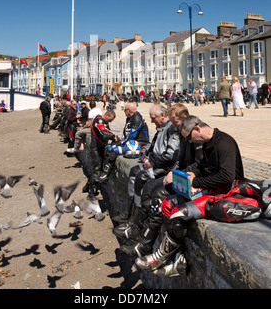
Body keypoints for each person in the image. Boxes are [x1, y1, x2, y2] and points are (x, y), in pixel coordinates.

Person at [134, 115, 246, 276]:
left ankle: (163, 257)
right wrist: (187, 174)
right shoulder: (207, 143)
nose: (190, 142)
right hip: (209, 188)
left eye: (189, 137)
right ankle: (178, 258)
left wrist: (196, 182)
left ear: (197, 128)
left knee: (179, 213)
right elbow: (203, 167)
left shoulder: (224, 142)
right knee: (167, 204)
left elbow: (227, 177)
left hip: (226, 192)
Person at [114, 105, 203, 259]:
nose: (174, 125)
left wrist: (167, 169)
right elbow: (180, 159)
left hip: (184, 177)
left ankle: (142, 237)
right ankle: (136, 226)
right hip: (175, 171)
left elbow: (177, 158)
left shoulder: (186, 133)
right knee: (147, 185)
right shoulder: (178, 131)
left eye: (175, 121)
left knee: (152, 187)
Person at [95, 102, 150, 184]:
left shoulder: (137, 119)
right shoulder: (129, 118)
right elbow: (126, 134)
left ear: (129, 111)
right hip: (131, 142)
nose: (124, 111)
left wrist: (121, 143)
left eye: (125, 110)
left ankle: (105, 175)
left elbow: (132, 135)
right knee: (109, 147)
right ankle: (105, 172)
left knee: (114, 150)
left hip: (140, 144)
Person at [88, 109, 117, 189]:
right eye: (110, 120)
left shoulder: (102, 121)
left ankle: (87, 186)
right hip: (95, 149)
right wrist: (113, 136)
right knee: (97, 171)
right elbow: (102, 131)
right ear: (107, 115)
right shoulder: (99, 120)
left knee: (98, 169)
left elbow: (107, 131)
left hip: (99, 148)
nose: (109, 122)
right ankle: (90, 192)